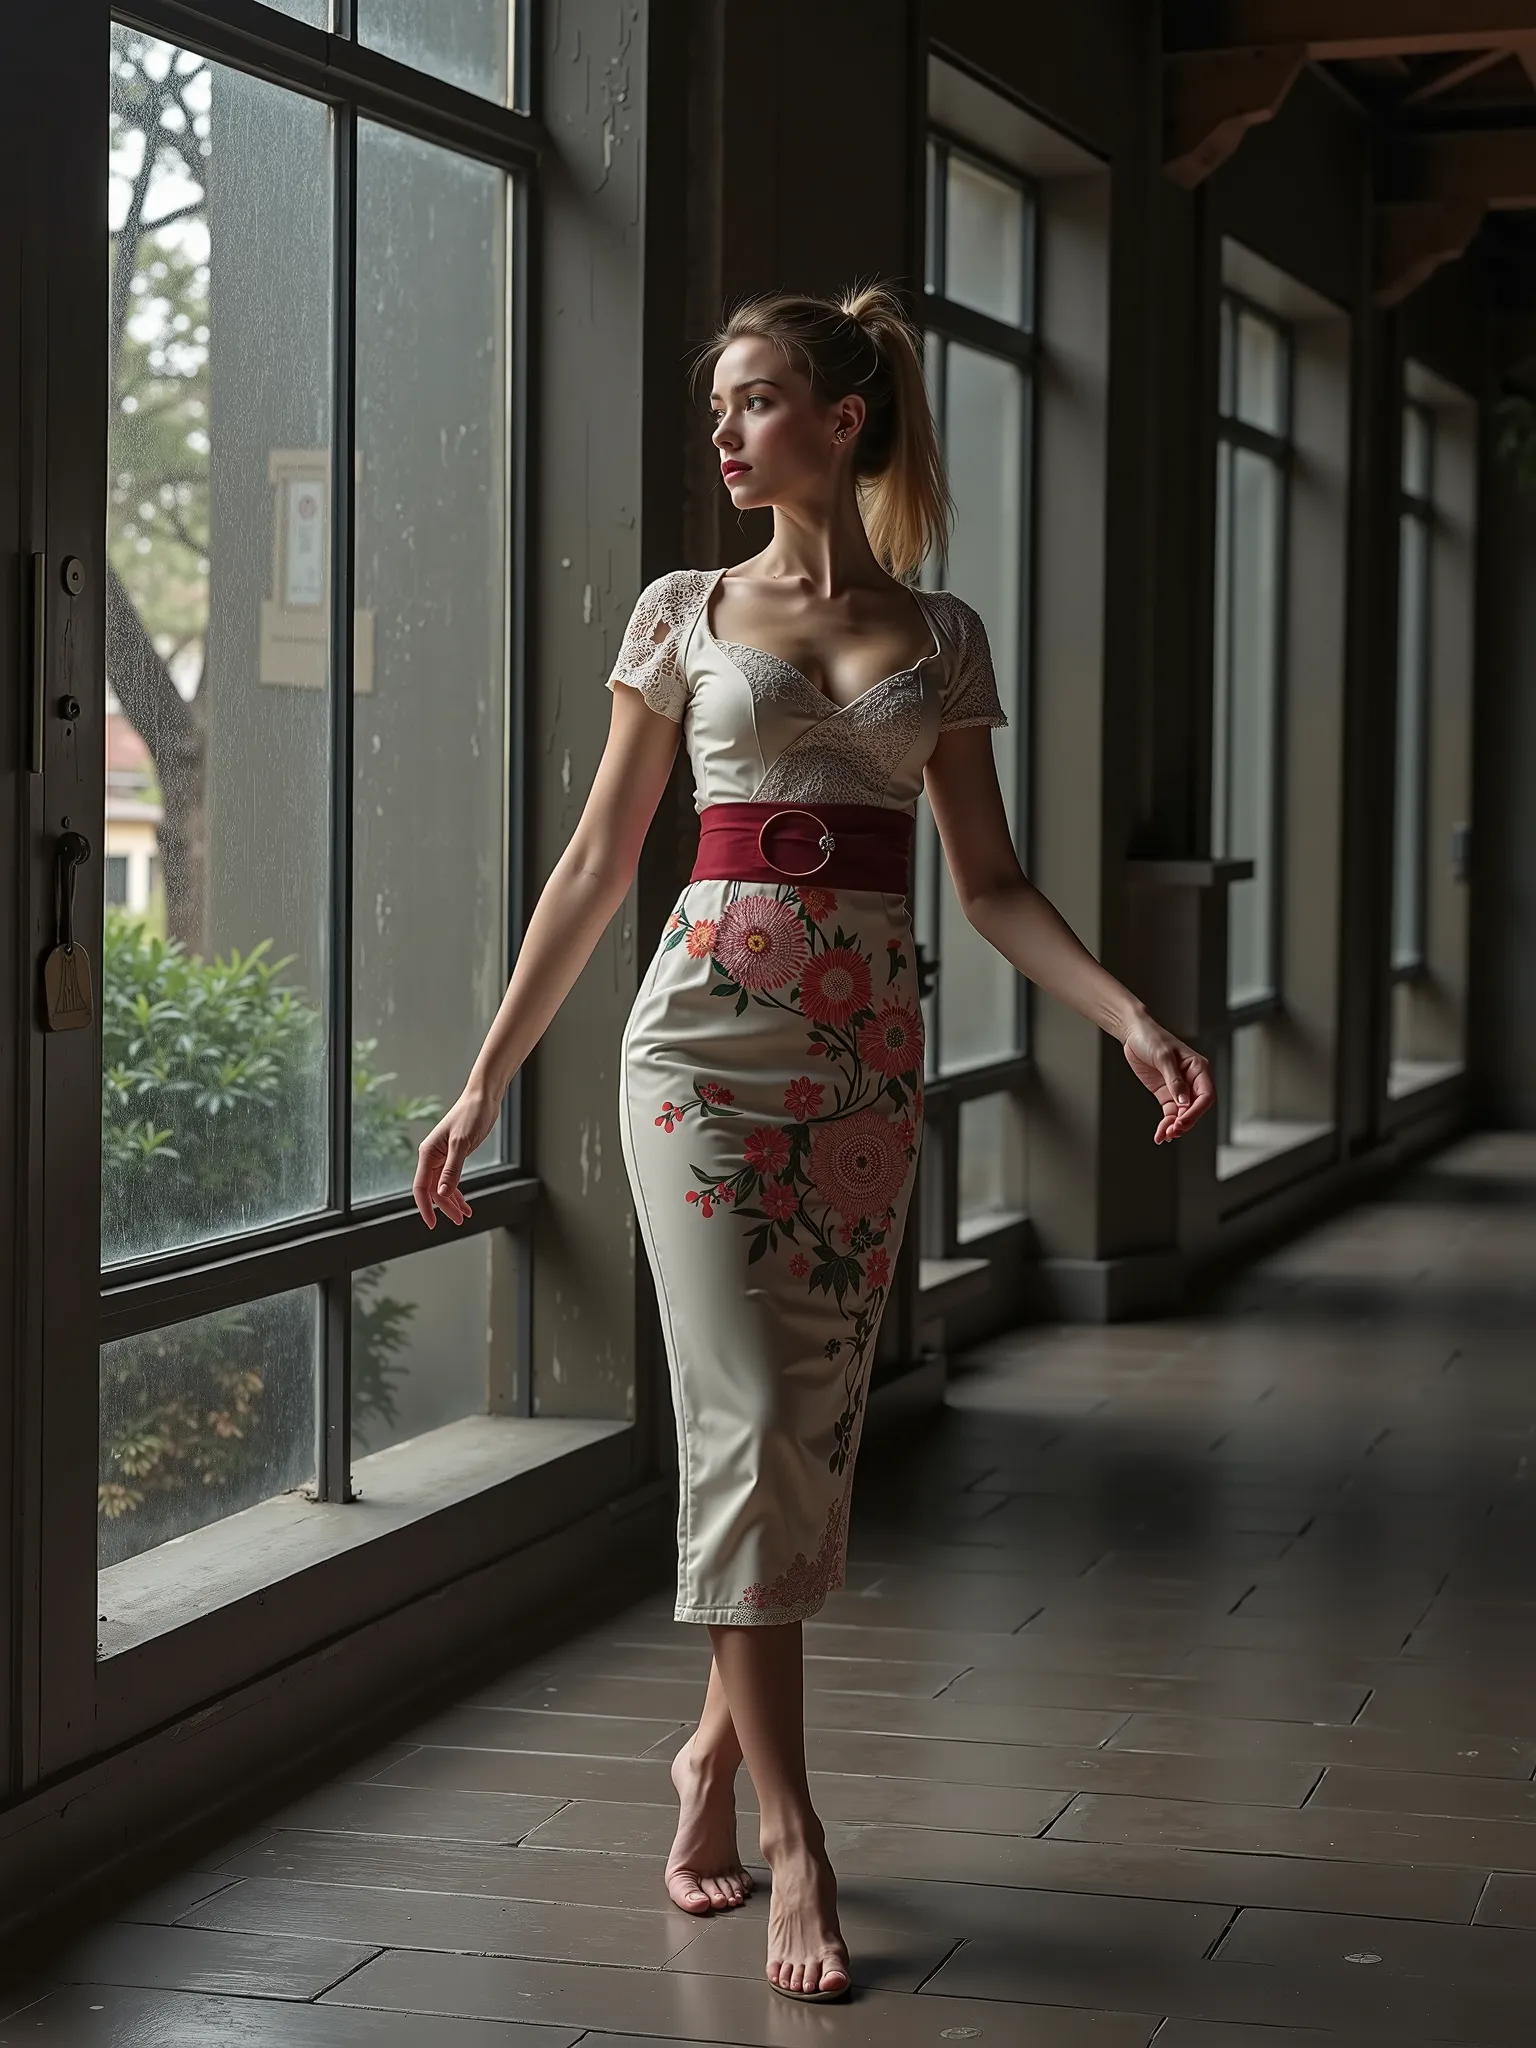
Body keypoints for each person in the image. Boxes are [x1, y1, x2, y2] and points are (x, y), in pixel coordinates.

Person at [413, 282, 1215, 2003]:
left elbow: (990, 886)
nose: (725, 431)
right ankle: (798, 1835)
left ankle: (704, 1758)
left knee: (805, 1447)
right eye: (722, 402)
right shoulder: (683, 613)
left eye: (756, 399)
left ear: (840, 423)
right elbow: (594, 863)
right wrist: (485, 1081)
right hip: (696, 1051)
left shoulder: (946, 636)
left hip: (863, 1066)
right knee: (751, 1421)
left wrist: (1129, 1014)